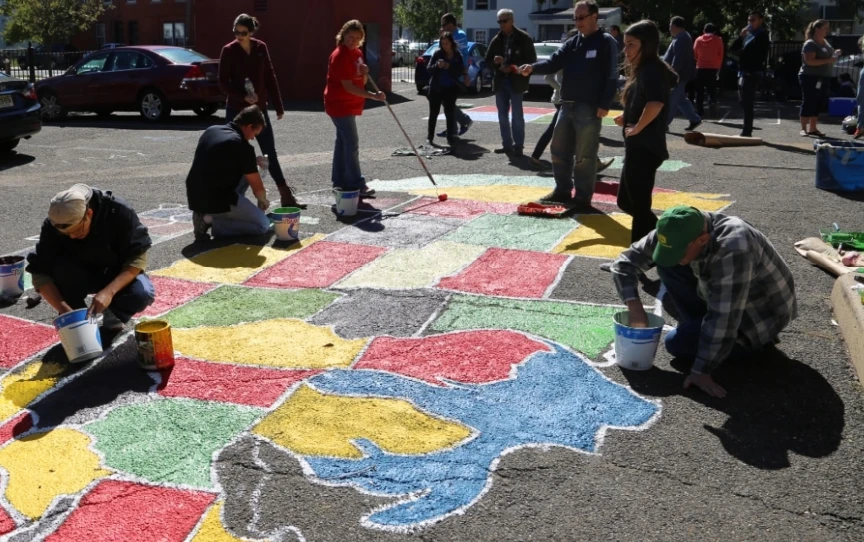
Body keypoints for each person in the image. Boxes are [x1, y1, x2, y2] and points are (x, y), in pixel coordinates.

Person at [610, 206, 797, 398]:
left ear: (702, 239)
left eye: (681, 252)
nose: (677, 257)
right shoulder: (675, 229)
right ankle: (699, 329)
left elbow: (724, 319)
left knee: (676, 344)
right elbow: (624, 263)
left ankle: (754, 345)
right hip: (727, 298)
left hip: (758, 315)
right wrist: (634, 307)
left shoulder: (733, 247)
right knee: (668, 266)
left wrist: (701, 370)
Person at [519, 0, 618, 207]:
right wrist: (532, 67)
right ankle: (562, 190)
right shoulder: (573, 43)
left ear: (594, 17)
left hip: (589, 107)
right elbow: (553, 62)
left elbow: (611, 75)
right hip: (566, 104)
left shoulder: (605, 41)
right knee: (559, 148)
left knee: (585, 154)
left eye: (581, 17)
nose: (578, 22)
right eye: (575, 18)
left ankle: (582, 197)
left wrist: (605, 103)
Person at [25, 184, 155, 331]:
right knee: (59, 270)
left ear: (89, 214)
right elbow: (40, 271)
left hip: (113, 272)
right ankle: (78, 317)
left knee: (142, 293)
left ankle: (113, 315)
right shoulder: (53, 224)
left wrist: (109, 292)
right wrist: (66, 311)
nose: (73, 236)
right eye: (67, 235)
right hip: (78, 274)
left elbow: (137, 257)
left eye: (77, 230)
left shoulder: (117, 211)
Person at [219, 14, 304, 209]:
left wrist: (279, 105)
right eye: (236, 32)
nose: (239, 36)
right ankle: (228, 198)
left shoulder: (260, 48)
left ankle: (285, 194)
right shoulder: (228, 50)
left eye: (243, 32)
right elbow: (223, 83)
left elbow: (269, 77)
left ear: (251, 32)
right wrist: (242, 96)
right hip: (236, 110)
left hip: (259, 110)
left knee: (269, 152)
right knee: (232, 153)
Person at [613, 21, 676, 246]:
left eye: (631, 44)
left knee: (639, 208)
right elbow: (644, 103)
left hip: (646, 148)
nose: (625, 50)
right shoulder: (644, 71)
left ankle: (638, 257)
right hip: (638, 146)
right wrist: (628, 118)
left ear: (646, 46)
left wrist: (637, 127)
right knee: (626, 202)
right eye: (625, 44)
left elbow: (655, 104)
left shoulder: (651, 71)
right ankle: (665, 240)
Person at [186, 105, 273, 241]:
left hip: (194, 194)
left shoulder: (212, 130)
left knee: (246, 172)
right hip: (220, 198)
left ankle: (205, 213)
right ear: (249, 127)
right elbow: (258, 190)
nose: (252, 139)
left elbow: (216, 161)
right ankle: (210, 221)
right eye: (254, 134)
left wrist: (252, 161)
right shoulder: (242, 146)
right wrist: (263, 202)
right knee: (263, 225)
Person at [324, 19, 387, 195]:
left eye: (357, 38)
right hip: (339, 104)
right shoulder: (339, 56)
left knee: (343, 143)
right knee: (351, 143)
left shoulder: (357, 53)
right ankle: (356, 183)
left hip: (349, 104)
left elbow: (362, 81)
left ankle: (339, 181)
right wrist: (373, 96)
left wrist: (365, 73)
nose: (353, 41)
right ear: (343, 35)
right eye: (350, 37)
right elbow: (349, 87)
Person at [485, 9, 536, 156]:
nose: (502, 24)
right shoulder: (497, 39)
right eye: (499, 21)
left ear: (512, 20)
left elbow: (531, 60)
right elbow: (487, 61)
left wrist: (512, 66)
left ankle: (518, 146)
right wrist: (496, 63)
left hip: (517, 81)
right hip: (501, 82)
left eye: (504, 21)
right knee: (502, 115)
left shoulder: (523, 38)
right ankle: (506, 145)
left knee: (517, 116)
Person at [730, 11, 770, 138]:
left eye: (753, 20)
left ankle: (747, 130)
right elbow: (733, 49)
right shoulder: (748, 34)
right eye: (749, 20)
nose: (750, 22)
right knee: (742, 100)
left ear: (760, 20)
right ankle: (747, 128)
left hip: (752, 72)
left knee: (747, 101)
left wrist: (742, 53)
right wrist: (740, 37)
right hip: (743, 71)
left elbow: (756, 54)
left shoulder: (762, 35)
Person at [799, 19, 838, 138]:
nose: (827, 30)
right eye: (825, 28)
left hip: (824, 76)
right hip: (810, 77)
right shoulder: (810, 43)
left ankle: (813, 128)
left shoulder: (825, 42)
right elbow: (809, 61)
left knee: (819, 101)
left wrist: (836, 53)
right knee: (809, 100)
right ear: (817, 29)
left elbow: (830, 54)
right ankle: (803, 129)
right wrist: (829, 60)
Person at [437, 13, 474, 138]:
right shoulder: (448, 36)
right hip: (447, 72)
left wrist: (465, 74)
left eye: (444, 24)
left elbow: (459, 55)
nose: (442, 27)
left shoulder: (460, 35)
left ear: (451, 24)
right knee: (446, 101)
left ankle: (464, 120)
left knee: (448, 101)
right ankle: (452, 128)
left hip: (456, 72)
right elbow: (441, 52)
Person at [426, 32, 464, 146]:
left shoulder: (457, 55)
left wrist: (450, 66)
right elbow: (429, 69)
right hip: (436, 88)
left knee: (450, 114)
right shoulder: (437, 54)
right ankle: (430, 137)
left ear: (452, 43)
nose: (444, 46)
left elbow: (459, 71)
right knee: (433, 113)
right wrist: (437, 66)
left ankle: (450, 136)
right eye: (442, 44)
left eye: (447, 43)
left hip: (451, 89)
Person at [663, 17, 701, 131]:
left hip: (678, 75)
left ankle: (663, 124)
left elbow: (678, 59)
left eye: (670, 25)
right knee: (681, 100)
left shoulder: (682, 38)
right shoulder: (680, 37)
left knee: (672, 99)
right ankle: (695, 119)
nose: (669, 28)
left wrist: (673, 74)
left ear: (675, 26)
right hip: (680, 74)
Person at [693, 23, 724, 118]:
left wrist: (699, 60)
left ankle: (700, 112)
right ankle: (712, 101)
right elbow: (720, 54)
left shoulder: (698, 40)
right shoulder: (718, 40)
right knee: (711, 89)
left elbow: (695, 53)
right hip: (713, 68)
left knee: (699, 91)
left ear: (703, 31)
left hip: (700, 67)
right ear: (714, 31)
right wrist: (718, 66)